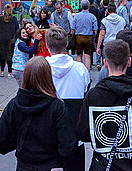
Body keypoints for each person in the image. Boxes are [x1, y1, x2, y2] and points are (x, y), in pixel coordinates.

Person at [77, 39, 132, 171]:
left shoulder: (93, 96)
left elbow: (82, 133)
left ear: (105, 63)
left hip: (102, 165)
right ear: (129, 62)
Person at [0, 56, 77, 171]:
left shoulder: (14, 104)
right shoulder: (57, 106)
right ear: (48, 76)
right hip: (51, 165)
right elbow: (68, 146)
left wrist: (19, 143)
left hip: (24, 165)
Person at [45, 26, 90, 171]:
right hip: (73, 135)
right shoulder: (80, 69)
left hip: (46, 135)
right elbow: (85, 92)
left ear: (47, 45)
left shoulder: (41, 68)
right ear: (66, 44)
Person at [96, 4, 126, 69]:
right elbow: (124, 32)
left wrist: (98, 47)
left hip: (107, 43)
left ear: (107, 11)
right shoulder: (122, 20)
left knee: (107, 62)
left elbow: (102, 34)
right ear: (116, 10)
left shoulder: (104, 21)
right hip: (119, 43)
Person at [71, 0, 98, 70]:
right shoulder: (92, 17)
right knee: (87, 56)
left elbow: (72, 29)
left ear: (81, 6)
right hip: (89, 37)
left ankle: (79, 72)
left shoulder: (76, 16)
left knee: (79, 55)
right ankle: (87, 73)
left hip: (78, 37)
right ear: (89, 7)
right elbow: (95, 30)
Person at [0, 4, 20, 78]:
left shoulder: (0, 19)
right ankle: (10, 72)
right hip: (11, 39)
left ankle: (2, 71)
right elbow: (17, 29)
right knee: (10, 55)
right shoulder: (14, 19)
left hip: (1, 39)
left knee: (2, 55)